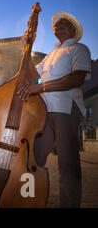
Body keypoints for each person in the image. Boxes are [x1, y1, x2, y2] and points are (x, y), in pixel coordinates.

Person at [17, 11, 91, 208]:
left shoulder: (79, 48)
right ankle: (29, 200)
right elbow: (31, 74)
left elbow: (76, 79)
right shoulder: (51, 54)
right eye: (56, 25)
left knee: (67, 164)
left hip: (66, 109)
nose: (58, 26)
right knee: (32, 158)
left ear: (74, 30)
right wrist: (26, 48)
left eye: (63, 23)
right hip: (45, 111)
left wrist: (40, 87)